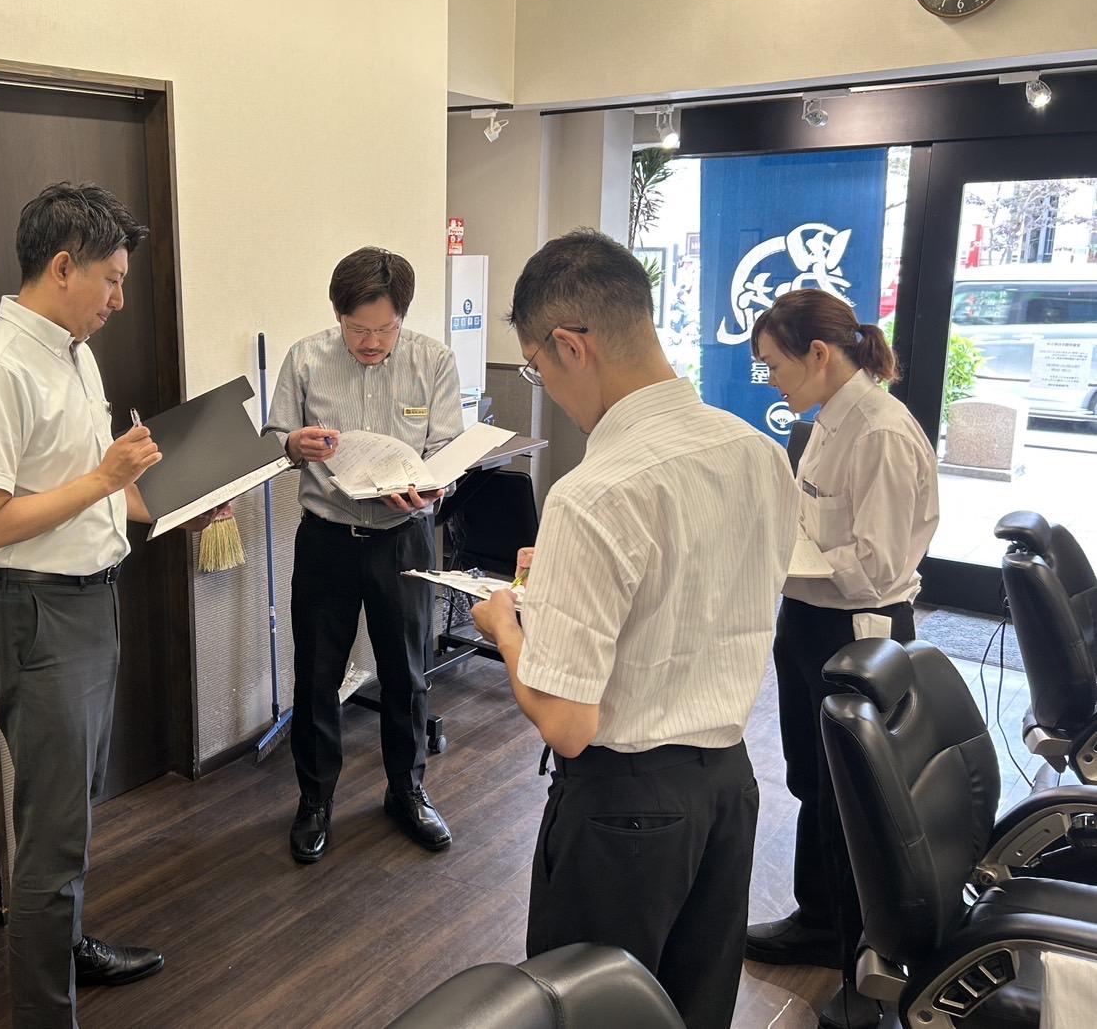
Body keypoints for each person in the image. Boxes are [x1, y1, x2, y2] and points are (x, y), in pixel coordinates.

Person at [470, 229, 798, 1029]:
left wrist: (505, 626)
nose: (545, 387)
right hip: (726, 788)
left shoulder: (596, 491)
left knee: (590, 1013)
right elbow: (694, 589)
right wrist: (564, 580)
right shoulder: (757, 452)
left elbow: (566, 723)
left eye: (536, 368)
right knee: (693, 1008)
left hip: (624, 810)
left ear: (569, 346)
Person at [0, 182, 228, 1028]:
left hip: (92, 602)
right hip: (37, 613)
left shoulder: (72, 353)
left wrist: (174, 503)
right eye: (112, 279)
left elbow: (97, 493)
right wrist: (106, 476)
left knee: (75, 808)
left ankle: (67, 948)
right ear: (64, 267)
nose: (118, 299)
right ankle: (44, 1013)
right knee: (52, 832)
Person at [744, 287, 938, 1029]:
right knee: (810, 778)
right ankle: (818, 919)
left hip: (856, 628)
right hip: (808, 618)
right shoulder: (827, 419)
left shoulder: (881, 432)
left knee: (853, 796)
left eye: (774, 365)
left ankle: (863, 958)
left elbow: (874, 567)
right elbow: (812, 523)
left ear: (818, 354)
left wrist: (777, 564)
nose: (771, 381)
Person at [263, 246, 464, 863]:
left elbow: (449, 451)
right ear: (338, 316)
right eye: (357, 330)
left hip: (403, 537)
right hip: (327, 536)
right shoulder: (306, 358)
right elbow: (274, 440)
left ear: (403, 317)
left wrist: (433, 487)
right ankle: (315, 799)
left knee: (407, 671)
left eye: (385, 329)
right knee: (317, 673)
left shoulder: (433, 359)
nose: (371, 342)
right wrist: (293, 444)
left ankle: (407, 791)